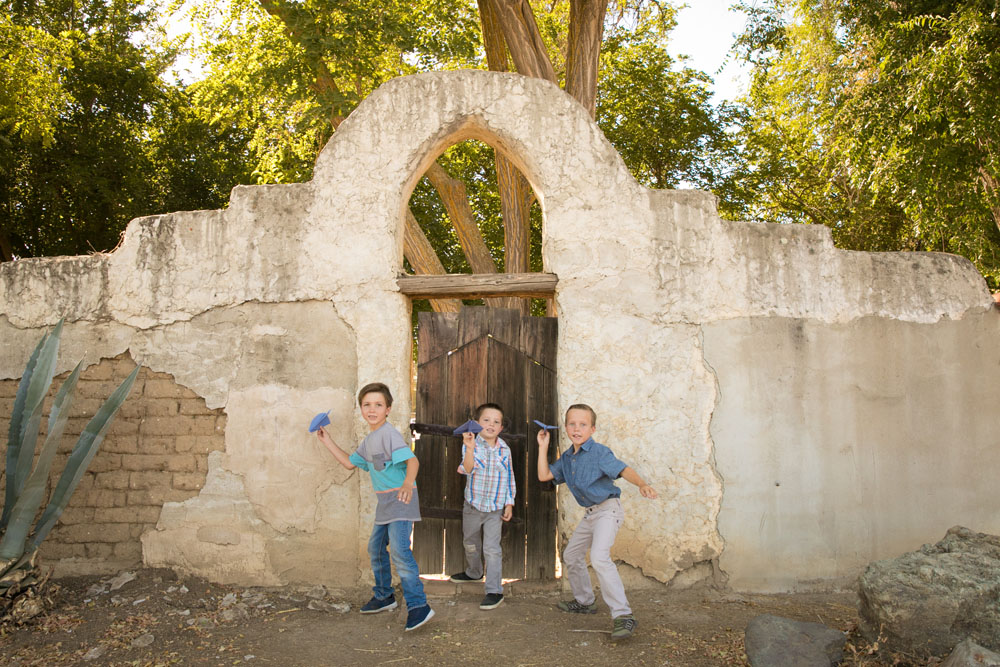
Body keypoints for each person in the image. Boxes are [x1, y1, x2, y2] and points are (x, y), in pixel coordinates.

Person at [315, 382, 434, 632]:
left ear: (388, 409)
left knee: (400, 552)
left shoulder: (388, 434)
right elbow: (350, 463)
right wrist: (327, 441)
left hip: (401, 501)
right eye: (367, 405)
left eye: (378, 405)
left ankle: (418, 606)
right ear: (361, 409)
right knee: (376, 548)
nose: (372, 409)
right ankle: (384, 596)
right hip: (385, 505)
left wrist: (407, 484)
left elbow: (413, 462)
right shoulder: (370, 440)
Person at [536, 403, 657, 641]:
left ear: (592, 429)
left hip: (608, 511)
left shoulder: (600, 452)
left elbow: (623, 469)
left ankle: (624, 615)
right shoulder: (568, 458)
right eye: (572, 424)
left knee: (600, 557)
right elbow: (544, 476)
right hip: (590, 514)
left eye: (583, 424)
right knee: (571, 555)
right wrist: (543, 447)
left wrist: (642, 484)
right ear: (566, 427)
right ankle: (585, 602)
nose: (576, 428)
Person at [448, 403, 515, 610]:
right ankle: (474, 572)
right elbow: (467, 469)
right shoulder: (472, 444)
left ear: (501, 428)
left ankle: (494, 590)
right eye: (486, 420)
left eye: (496, 422)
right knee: (471, 543)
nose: (491, 425)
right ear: (477, 424)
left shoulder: (505, 449)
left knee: (492, 549)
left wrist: (509, 502)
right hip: (473, 507)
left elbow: (509, 477)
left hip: (495, 509)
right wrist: (468, 448)